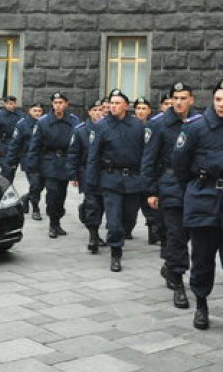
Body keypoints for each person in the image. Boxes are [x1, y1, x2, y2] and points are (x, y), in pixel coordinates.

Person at [172, 79, 223, 337]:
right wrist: (197, 188)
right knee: (202, 258)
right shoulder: (196, 128)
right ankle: (202, 306)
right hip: (203, 200)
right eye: (218, 99)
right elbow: (179, 164)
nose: (221, 104)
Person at [142, 81, 198, 309]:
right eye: (175, 98)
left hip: (195, 186)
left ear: (191, 99)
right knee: (175, 234)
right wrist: (151, 190)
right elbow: (149, 159)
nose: (179, 102)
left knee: (190, 233)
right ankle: (178, 281)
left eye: (183, 98)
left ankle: (170, 266)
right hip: (170, 184)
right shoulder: (160, 125)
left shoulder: (200, 123)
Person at [85, 89, 146, 272]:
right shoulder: (102, 126)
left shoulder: (138, 126)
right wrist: (91, 181)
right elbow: (93, 155)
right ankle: (115, 253)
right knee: (114, 220)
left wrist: (147, 180)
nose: (113, 106)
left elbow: (147, 154)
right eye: (111, 103)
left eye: (117, 103)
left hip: (133, 179)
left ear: (125, 106)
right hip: (110, 179)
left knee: (129, 218)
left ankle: (122, 236)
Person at [27, 92, 80, 238]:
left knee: (61, 195)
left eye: (61, 102)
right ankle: (52, 223)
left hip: (66, 162)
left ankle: (57, 221)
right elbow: (35, 145)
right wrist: (33, 166)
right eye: (55, 102)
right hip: (49, 162)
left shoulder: (74, 121)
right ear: (52, 104)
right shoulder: (43, 122)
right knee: (52, 194)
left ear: (66, 104)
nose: (58, 105)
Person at [68, 99, 106, 253]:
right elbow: (73, 154)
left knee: (102, 204)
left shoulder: (107, 128)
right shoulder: (80, 130)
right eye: (94, 110)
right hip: (86, 172)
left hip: (104, 173)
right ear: (89, 112)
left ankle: (88, 217)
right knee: (92, 204)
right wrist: (73, 175)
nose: (97, 113)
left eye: (100, 110)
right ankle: (93, 235)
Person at [5, 103, 46, 219]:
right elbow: (15, 144)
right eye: (35, 110)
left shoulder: (45, 123)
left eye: (39, 111)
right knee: (35, 184)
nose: (38, 113)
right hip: (28, 159)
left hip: (43, 159)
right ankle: (36, 209)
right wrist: (11, 161)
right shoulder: (22, 124)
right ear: (29, 111)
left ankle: (26, 198)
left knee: (41, 185)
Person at [133, 96, 161, 245]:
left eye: (144, 108)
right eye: (138, 108)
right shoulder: (129, 126)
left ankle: (153, 231)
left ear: (149, 111)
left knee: (149, 203)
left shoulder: (153, 126)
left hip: (148, 170)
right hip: (133, 170)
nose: (141, 111)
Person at [0, 95, 25, 180]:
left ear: (15, 104)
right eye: (7, 103)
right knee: (6, 170)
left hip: (16, 146)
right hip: (4, 145)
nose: (9, 105)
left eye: (11, 103)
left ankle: (7, 189)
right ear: (5, 104)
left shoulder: (21, 115)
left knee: (12, 171)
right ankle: (3, 189)